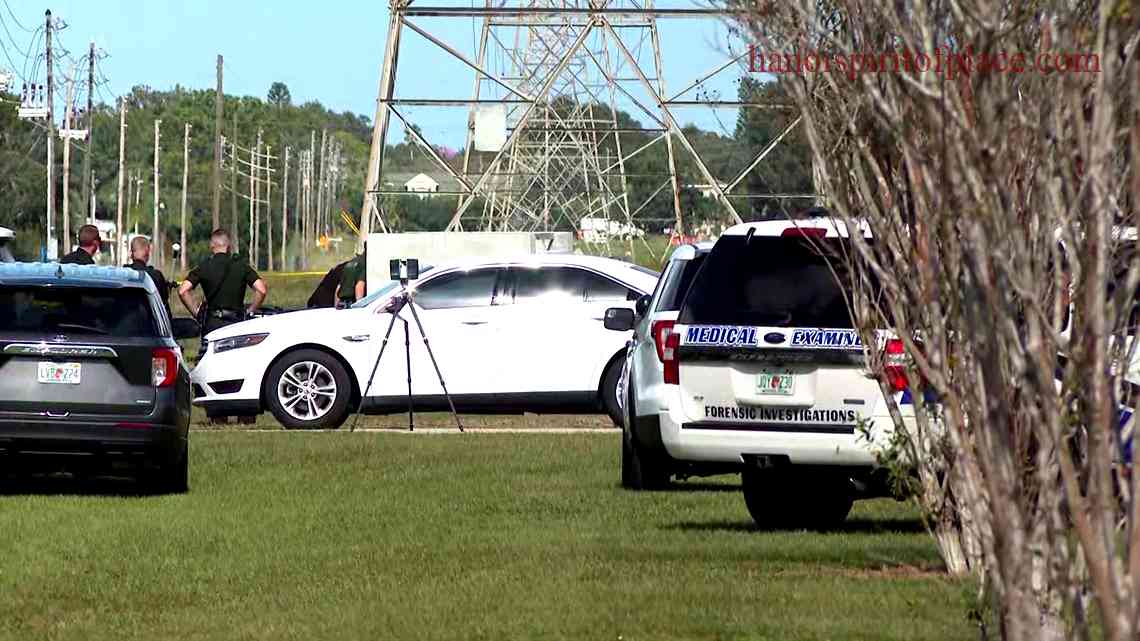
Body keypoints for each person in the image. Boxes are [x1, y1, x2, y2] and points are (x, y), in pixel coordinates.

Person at [178, 229, 268, 424]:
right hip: (237, 323)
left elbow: (183, 289)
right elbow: (261, 288)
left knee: (214, 367)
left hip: (213, 324)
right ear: (229, 246)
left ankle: (218, 415)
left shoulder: (204, 266)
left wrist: (196, 312)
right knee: (242, 366)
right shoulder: (241, 265)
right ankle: (246, 414)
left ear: (212, 246)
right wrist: (251, 310)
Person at [124, 236, 172, 319]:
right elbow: (163, 302)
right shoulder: (156, 276)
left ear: (131, 253)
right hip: (150, 328)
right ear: (148, 253)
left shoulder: (122, 273)